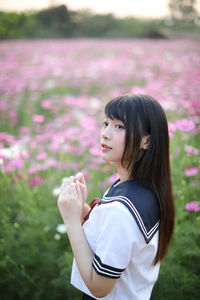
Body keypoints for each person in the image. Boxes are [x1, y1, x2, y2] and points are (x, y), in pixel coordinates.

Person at [57, 94, 175, 300]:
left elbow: (99, 287)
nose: (105, 134)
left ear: (146, 141)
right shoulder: (143, 189)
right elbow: (118, 239)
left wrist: (71, 222)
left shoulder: (121, 210)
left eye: (120, 126)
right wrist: (83, 211)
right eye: (106, 123)